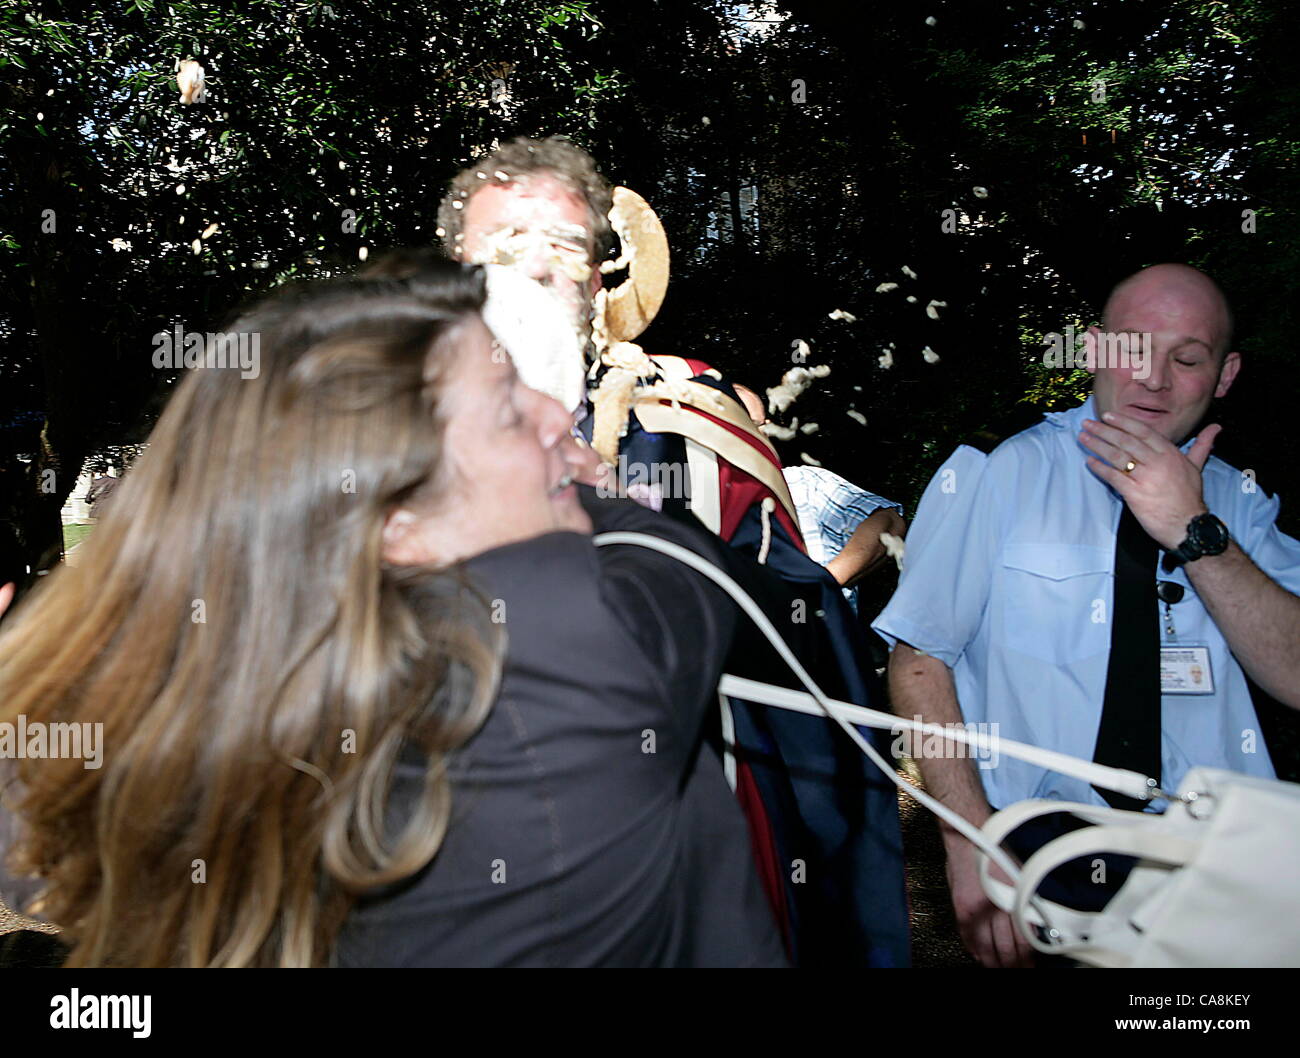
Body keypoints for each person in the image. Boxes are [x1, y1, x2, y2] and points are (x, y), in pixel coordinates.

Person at [0, 260, 784, 967]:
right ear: (394, 523)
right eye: (511, 409)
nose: (558, 419)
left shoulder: (139, 722)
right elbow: (679, 566)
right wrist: (588, 479)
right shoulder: (566, 664)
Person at [438, 137, 912, 966]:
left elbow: (801, 632)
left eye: (565, 246)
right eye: (507, 245)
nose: (538, 266)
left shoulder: (687, 420)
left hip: (677, 828)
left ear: (599, 277)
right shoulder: (373, 429)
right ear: (458, 273)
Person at [873, 263, 1300, 968]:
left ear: (1224, 376)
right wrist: (968, 841)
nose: (1154, 379)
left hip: (1216, 863)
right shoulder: (997, 467)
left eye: (1187, 359)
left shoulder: (1241, 497)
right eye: (1133, 349)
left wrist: (1193, 528)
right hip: (1045, 852)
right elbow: (920, 658)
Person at [734, 384, 907, 616]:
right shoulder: (687, 498)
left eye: (754, 423)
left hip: (816, 645)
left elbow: (889, 522)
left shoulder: (803, 482)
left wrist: (823, 582)